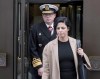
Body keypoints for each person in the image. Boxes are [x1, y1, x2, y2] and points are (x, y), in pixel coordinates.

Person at [29, 4, 59, 79]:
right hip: (40, 67)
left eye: (50, 14)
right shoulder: (35, 28)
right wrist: (39, 66)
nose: (48, 16)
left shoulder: (60, 27)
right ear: (42, 16)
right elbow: (32, 49)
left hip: (56, 65)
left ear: (54, 15)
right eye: (45, 14)